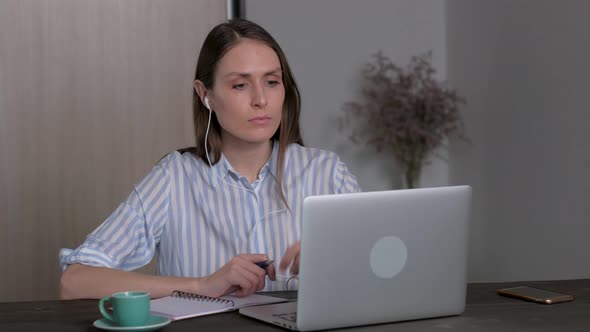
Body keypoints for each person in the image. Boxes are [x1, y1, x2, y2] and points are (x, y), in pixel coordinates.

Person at [59, 19, 360, 300]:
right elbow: (74, 282)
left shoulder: (326, 172)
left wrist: (334, 261)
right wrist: (201, 285)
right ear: (206, 95)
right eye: (240, 85)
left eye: (271, 82)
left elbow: (385, 267)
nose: (261, 100)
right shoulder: (173, 178)